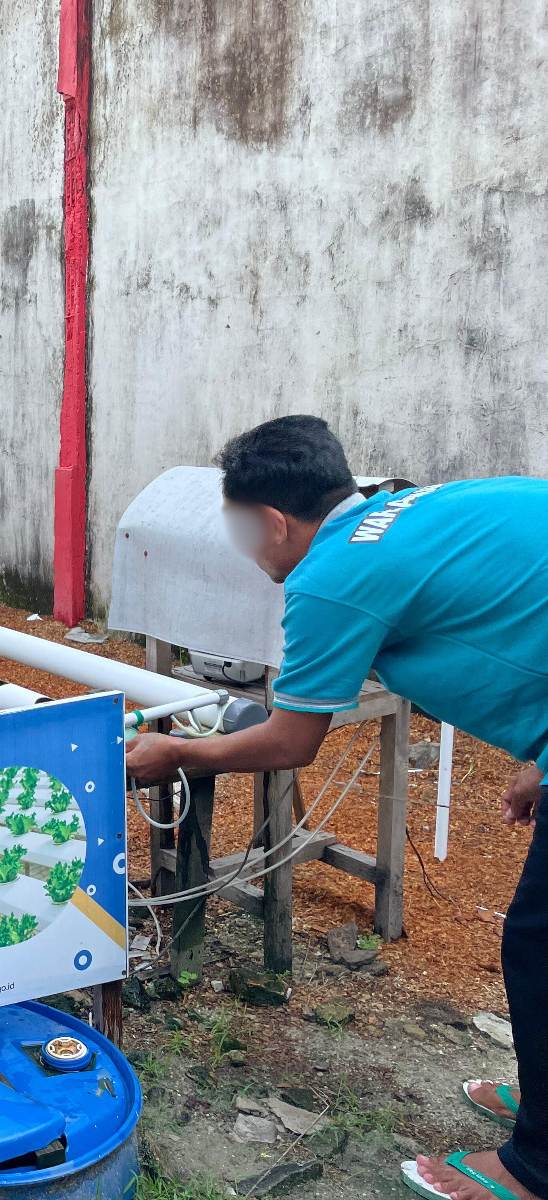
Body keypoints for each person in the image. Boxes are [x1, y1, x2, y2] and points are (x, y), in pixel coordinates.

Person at [126, 415, 548, 1200]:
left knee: (538, 944)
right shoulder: (403, 508)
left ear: (275, 522)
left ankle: (535, 1167)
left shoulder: (330, 574)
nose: (249, 553)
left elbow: (291, 742)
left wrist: (178, 752)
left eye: (245, 533)